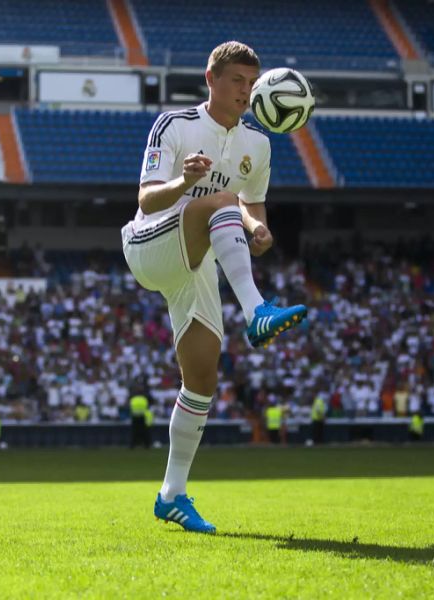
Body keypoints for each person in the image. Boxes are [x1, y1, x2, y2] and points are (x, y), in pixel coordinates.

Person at [122, 41, 308, 534]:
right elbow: (145, 196)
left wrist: (257, 231)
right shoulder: (175, 125)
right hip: (150, 243)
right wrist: (185, 183)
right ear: (211, 78)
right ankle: (257, 311)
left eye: (252, 83)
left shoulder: (259, 145)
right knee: (218, 200)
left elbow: (252, 206)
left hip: (198, 258)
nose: (246, 92)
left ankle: (172, 495)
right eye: (237, 81)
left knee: (202, 377)